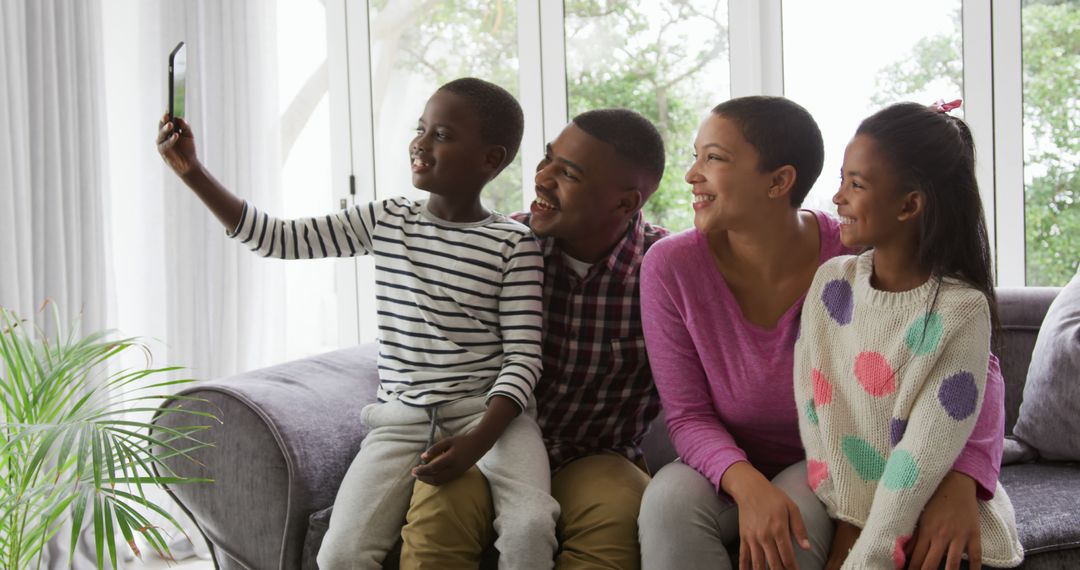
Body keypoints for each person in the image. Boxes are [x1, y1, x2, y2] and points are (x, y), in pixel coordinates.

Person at [156, 77, 560, 569]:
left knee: (531, 526)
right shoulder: (386, 220)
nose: (420, 142)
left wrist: (478, 440)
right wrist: (191, 171)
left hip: (489, 419)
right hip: (401, 422)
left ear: (490, 160)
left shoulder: (512, 245)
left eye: (442, 135)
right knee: (341, 555)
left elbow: (523, 358)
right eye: (421, 128)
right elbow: (278, 239)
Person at [638, 96, 1007, 570]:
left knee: (794, 524)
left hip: (834, 463)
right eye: (696, 155)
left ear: (779, 181)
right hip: (724, 461)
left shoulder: (852, 251)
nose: (691, 174)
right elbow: (687, 415)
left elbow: (974, 363)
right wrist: (748, 486)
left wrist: (962, 479)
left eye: (714, 158)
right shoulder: (670, 266)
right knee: (665, 502)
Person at [397, 109, 669, 569]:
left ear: (625, 204)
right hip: (488, 442)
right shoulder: (501, 246)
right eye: (547, 160)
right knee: (436, 523)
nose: (542, 179)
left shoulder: (664, 271)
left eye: (568, 174)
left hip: (598, 456)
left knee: (617, 522)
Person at [794, 101, 1023, 569]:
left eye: (855, 184)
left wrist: (868, 556)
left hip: (928, 506)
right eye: (841, 180)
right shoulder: (832, 285)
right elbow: (816, 408)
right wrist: (848, 518)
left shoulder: (959, 311)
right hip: (851, 507)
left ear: (910, 204)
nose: (837, 197)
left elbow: (920, 457)